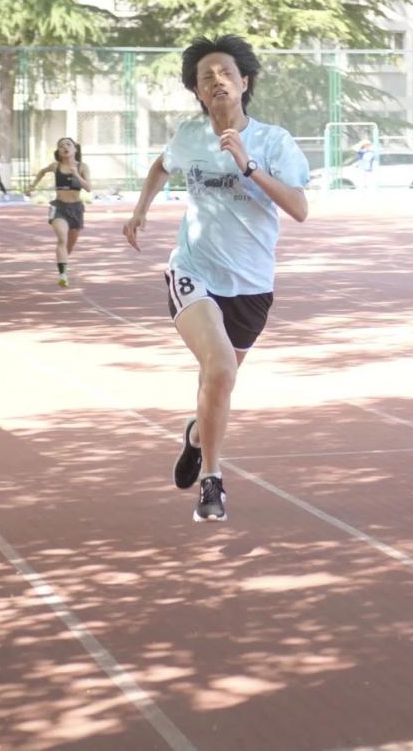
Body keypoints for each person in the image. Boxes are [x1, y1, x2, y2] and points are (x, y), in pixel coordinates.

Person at [123, 34, 310, 523]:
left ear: (245, 82)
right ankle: (212, 479)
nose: (217, 82)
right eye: (206, 78)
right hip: (193, 270)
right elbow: (161, 166)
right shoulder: (189, 136)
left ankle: (194, 435)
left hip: (251, 285)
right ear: (198, 93)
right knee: (221, 368)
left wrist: (248, 164)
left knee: (218, 382)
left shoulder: (274, 142)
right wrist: (140, 211)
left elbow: (299, 209)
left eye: (226, 73)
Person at [26, 137, 91, 288]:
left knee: (70, 244)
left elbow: (88, 188)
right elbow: (42, 172)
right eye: (61, 146)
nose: (65, 147)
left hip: (76, 209)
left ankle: (63, 263)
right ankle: (62, 275)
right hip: (59, 207)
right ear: (59, 151)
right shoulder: (56, 166)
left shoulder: (82, 167)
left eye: (68, 144)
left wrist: (76, 175)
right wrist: (32, 187)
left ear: (75, 149)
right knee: (62, 238)